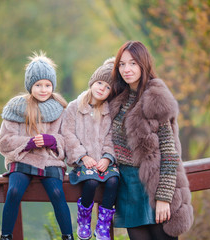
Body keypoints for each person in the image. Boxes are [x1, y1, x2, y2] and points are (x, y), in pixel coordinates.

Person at [109, 41, 194, 240]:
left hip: (154, 187)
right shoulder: (118, 98)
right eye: (121, 64)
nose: (126, 69)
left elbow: (170, 153)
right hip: (128, 188)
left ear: (143, 64)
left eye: (132, 63)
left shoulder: (155, 98)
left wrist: (163, 198)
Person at [0, 51, 74, 240]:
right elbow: (3, 141)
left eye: (47, 85)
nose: (43, 89)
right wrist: (27, 143)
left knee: (57, 192)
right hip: (23, 159)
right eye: (38, 85)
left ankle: (68, 236)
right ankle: (6, 236)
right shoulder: (17, 106)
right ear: (30, 85)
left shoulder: (61, 108)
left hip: (49, 161)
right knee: (14, 191)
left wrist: (53, 141)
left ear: (53, 86)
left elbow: (68, 139)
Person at [61, 58, 119, 240]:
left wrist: (107, 158)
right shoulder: (74, 107)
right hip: (83, 162)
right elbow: (67, 134)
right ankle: (84, 219)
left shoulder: (109, 111)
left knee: (113, 181)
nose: (102, 88)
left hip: (103, 162)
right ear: (93, 82)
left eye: (107, 87)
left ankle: (103, 224)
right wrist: (83, 157)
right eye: (100, 83)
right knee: (91, 182)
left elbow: (112, 137)